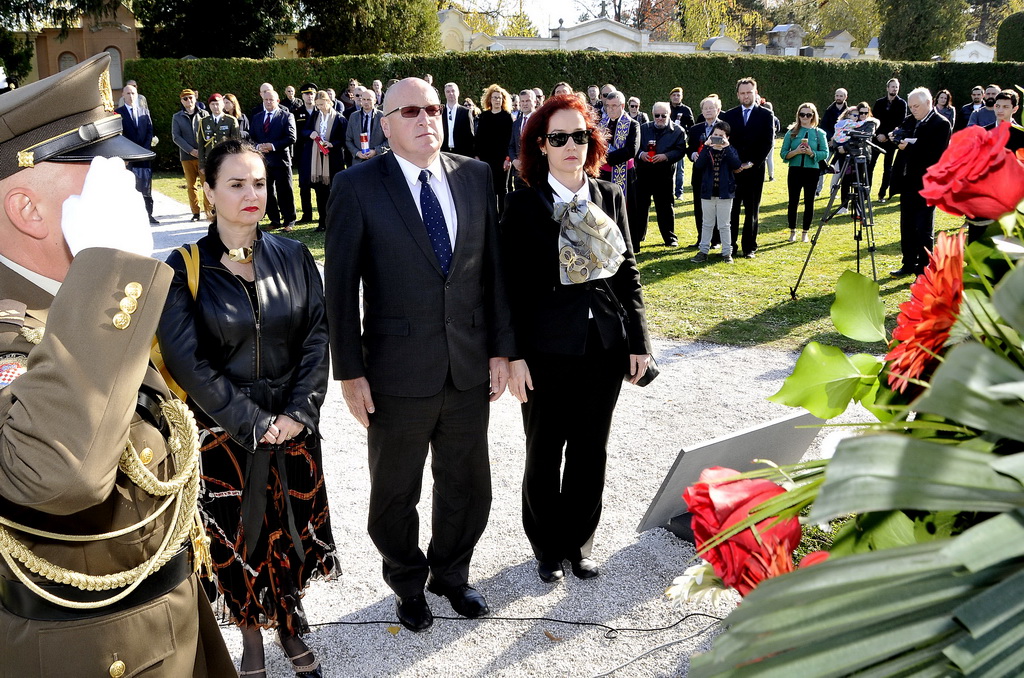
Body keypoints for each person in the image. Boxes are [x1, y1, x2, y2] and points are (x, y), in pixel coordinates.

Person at [0, 52, 234, 678]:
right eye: (100, 174)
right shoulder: (24, 319)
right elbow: (58, 474)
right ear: (27, 209)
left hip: (163, 622)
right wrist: (108, 267)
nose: (126, 189)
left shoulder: (69, 299)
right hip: (92, 654)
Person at [325, 77, 515, 634]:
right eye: (410, 111)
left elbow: (494, 270)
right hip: (395, 373)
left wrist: (501, 350)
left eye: (431, 108)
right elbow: (341, 290)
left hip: (468, 366)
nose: (425, 118)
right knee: (394, 492)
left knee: (467, 485)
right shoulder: (357, 186)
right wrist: (350, 372)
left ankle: (451, 574)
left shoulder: (475, 175)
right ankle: (408, 583)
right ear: (385, 124)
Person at [157, 139, 336, 677]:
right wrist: (253, 423)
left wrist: (298, 412)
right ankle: (251, 634)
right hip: (225, 433)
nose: (251, 193)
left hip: (293, 425)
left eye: (258, 182)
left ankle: (288, 623)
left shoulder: (294, 255)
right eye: (235, 184)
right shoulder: (183, 267)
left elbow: (316, 336)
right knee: (237, 538)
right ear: (208, 191)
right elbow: (186, 360)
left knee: (289, 528)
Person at [500, 93, 652, 584]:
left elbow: (627, 272)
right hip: (544, 352)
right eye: (559, 137)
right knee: (544, 451)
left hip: (603, 347)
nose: (571, 145)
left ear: (592, 142)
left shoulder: (609, 195)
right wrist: (512, 355)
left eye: (580, 136)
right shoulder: (523, 205)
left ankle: (579, 543)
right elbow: (508, 287)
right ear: (541, 145)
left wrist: (639, 342)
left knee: (591, 451)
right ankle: (547, 547)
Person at [890, 87, 951, 277]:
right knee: (907, 225)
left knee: (923, 227)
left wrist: (909, 147)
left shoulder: (941, 123)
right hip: (907, 181)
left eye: (916, 106)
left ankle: (924, 267)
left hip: (927, 183)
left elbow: (935, 154)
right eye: (911, 106)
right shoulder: (911, 120)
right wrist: (895, 137)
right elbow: (900, 133)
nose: (913, 110)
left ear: (928, 103)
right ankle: (908, 263)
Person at [720, 77, 775, 258]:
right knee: (732, 210)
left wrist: (751, 163)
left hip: (754, 170)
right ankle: (730, 246)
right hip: (733, 170)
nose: (746, 96)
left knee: (752, 210)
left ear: (755, 93)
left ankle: (749, 247)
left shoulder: (766, 115)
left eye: (749, 92)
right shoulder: (729, 115)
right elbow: (725, 142)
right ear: (737, 95)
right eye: (742, 93)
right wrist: (735, 164)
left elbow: (767, 143)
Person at [634, 101, 687, 248]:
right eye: (657, 115)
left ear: (669, 114)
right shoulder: (643, 128)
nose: (660, 118)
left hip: (664, 174)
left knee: (665, 207)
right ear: (652, 114)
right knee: (640, 206)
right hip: (643, 173)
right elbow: (634, 146)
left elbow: (681, 150)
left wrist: (666, 156)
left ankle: (670, 238)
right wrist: (641, 154)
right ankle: (638, 236)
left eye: (664, 115)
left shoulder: (678, 131)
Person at [691, 120, 741, 264]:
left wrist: (727, 147)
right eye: (715, 135)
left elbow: (736, 164)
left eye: (721, 136)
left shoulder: (730, 150)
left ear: (727, 137)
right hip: (708, 192)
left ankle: (727, 253)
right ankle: (703, 251)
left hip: (725, 193)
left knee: (724, 224)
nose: (717, 138)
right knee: (707, 223)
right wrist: (706, 146)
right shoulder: (707, 150)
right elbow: (699, 165)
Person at [250, 89, 298, 231]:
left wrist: (272, 146)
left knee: (285, 191)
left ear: (277, 101)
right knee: (267, 191)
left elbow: (291, 137)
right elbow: (251, 137)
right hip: (263, 162)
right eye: (266, 100)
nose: (268, 102)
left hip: (281, 160)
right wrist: (258, 146)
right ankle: (274, 220)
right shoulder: (257, 117)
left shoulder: (286, 116)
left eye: (271, 100)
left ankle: (289, 220)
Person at [781, 103, 828, 243]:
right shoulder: (791, 132)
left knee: (809, 201)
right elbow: (783, 153)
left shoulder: (819, 133)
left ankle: (805, 232)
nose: (805, 117)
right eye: (802, 114)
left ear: (813, 116)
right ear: (798, 115)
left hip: (812, 171)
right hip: (795, 170)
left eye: (808, 115)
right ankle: (792, 231)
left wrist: (811, 153)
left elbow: (825, 153)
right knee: (793, 201)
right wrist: (795, 152)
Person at [599, 91, 639, 250]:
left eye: (614, 106)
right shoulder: (602, 123)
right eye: (608, 106)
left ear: (622, 106)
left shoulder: (632, 124)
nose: (610, 109)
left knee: (624, 209)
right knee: (605, 207)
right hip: (603, 173)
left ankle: (628, 244)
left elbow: (631, 150)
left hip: (624, 174)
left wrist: (607, 158)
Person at [117, 82, 159, 224]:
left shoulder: (144, 111)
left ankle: (148, 214)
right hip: (128, 156)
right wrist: (128, 151)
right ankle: (131, 216)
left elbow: (149, 130)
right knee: (130, 185)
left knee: (146, 185)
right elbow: (119, 134)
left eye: (133, 93)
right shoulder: (118, 113)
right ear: (123, 95)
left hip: (143, 155)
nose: (131, 96)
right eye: (128, 93)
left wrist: (144, 149)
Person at [305, 91, 348, 232]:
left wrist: (332, 144)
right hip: (318, 158)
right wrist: (310, 133)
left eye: (322, 104)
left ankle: (336, 221)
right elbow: (304, 130)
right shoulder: (315, 116)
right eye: (317, 105)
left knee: (334, 190)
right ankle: (322, 221)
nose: (320, 107)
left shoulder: (339, 118)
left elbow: (344, 138)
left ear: (329, 102)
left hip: (333, 158)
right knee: (320, 191)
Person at [687, 95, 723, 249]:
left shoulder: (724, 128)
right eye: (705, 108)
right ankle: (701, 238)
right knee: (699, 207)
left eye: (711, 108)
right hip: (699, 174)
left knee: (715, 207)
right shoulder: (695, 129)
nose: (708, 111)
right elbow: (689, 149)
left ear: (718, 110)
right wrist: (693, 154)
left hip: (716, 174)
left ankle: (715, 240)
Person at [171, 88, 210, 221]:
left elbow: (209, 133)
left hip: (203, 157)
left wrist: (202, 151)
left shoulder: (204, 114)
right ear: (182, 101)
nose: (188, 100)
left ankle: (209, 211)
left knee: (206, 184)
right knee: (191, 185)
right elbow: (176, 136)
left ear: (195, 98)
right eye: (185, 99)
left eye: (191, 97)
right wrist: (191, 150)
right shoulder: (177, 117)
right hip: (187, 156)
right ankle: (195, 212)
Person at [475, 84, 514, 211]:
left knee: (502, 189)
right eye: (494, 97)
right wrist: (477, 156)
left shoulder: (507, 117)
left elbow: (510, 140)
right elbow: (479, 138)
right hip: (486, 159)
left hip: (502, 160)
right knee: (488, 189)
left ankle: (503, 218)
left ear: (503, 100)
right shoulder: (484, 116)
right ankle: (491, 217)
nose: (497, 100)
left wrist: (508, 158)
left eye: (499, 98)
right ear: (489, 100)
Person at [871, 78, 907, 204]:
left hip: (891, 140)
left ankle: (882, 194)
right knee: (870, 166)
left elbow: (900, 122)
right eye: (892, 86)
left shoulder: (902, 104)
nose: (894, 89)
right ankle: (866, 192)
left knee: (887, 168)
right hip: (877, 139)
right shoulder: (879, 103)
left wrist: (886, 135)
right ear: (887, 88)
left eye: (896, 87)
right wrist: (878, 135)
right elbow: (874, 120)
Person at [293, 83, 319, 224]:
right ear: (302, 96)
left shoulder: (320, 111)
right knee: (304, 185)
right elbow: (295, 132)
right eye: (307, 94)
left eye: (312, 93)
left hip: (319, 152)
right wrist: (308, 133)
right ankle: (307, 215)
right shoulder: (296, 112)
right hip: (303, 153)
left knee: (320, 185)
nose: (310, 96)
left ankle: (323, 215)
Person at [196, 93, 240, 170]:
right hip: (210, 159)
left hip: (226, 159)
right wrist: (202, 164)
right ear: (209, 106)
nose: (215, 107)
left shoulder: (231, 121)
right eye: (212, 104)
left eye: (217, 104)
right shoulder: (204, 121)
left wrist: (235, 161)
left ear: (223, 105)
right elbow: (201, 144)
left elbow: (235, 142)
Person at [345, 89, 384, 165]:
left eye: (369, 99)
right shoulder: (353, 117)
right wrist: (357, 152)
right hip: (358, 162)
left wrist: (376, 151)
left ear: (375, 101)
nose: (366, 102)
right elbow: (348, 140)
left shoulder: (382, 117)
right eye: (364, 99)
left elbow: (389, 140)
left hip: (378, 161)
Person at [669, 87, 695, 200]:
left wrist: (685, 131)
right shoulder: (666, 108)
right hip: (667, 142)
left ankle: (679, 192)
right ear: (670, 96)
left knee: (680, 168)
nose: (676, 97)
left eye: (678, 95)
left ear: (682, 97)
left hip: (680, 142)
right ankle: (668, 190)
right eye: (674, 95)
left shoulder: (686, 110)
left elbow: (692, 126)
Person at [508, 88, 536, 192]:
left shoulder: (541, 121)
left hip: (535, 171)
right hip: (519, 172)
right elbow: (511, 146)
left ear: (534, 102)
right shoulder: (516, 123)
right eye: (522, 101)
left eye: (527, 101)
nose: (524, 104)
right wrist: (514, 160)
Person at [442, 82, 475, 155]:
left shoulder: (466, 112)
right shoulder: (440, 112)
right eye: (448, 91)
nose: (451, 93)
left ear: (458, 93)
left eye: (453, 91)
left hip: (462, 152)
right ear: (445, 94)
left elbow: (470, 135)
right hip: (444, 152)